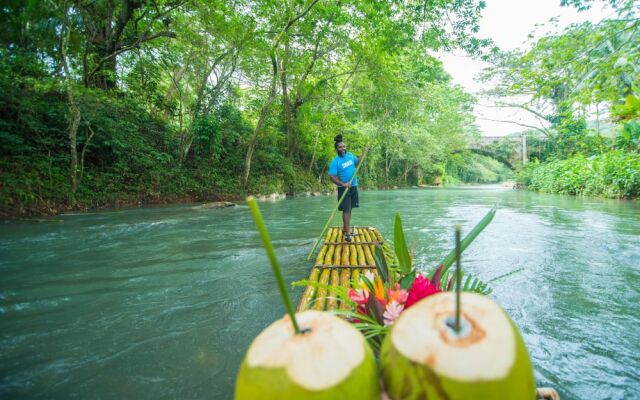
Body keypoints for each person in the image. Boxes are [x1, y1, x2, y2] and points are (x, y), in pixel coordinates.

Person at [329, 135, 361, 242]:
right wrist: (343, 184)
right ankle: (347, 233)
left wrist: (365, 152)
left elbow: (357, 162)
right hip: (344, 189)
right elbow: (332, 177)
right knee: (346, 210)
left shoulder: (351, 155)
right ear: (336, 149)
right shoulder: (335, 161)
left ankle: (344, 228)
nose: (343, 149)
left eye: (344, 147)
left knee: (350, 209)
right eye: (340, 147)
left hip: (353, 186)